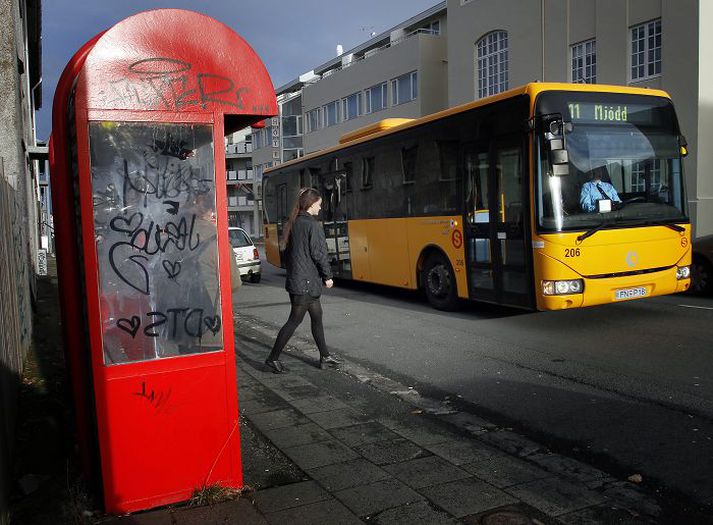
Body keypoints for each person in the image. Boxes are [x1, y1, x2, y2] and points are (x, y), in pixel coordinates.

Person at [264, 188, 339, 373]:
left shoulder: (294, 222)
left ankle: (325, 356)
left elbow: (289, 255)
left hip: (300, 281)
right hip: (305, 283)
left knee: (317, 317)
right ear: (311, 204)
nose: (320, 208)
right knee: (294, 321)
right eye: (319, 205)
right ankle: (272, 359)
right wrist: (327, 276)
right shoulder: (312, 225)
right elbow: (319, 253)